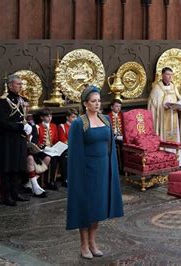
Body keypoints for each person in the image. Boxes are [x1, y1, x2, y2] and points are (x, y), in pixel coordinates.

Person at [66, 85, 124, 259]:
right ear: (85, 103)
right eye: (93, 101)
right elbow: (75, 153)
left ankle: (93, 241)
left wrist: (111, 168)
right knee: (86, 207)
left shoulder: (106, 119)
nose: (97, 104)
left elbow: (110, 146)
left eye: (99, 101)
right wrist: (77, 176)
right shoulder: (79, 123)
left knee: (99, 206)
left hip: (103, 169)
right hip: (86, 171)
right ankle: (83, 244)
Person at [0, 75, 32, 206]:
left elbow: (22, 117)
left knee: (18, 167)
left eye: (21, 84)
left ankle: (16, 192)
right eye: (18, 84)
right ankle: (7, 196)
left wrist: (27, 126)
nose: (20, 86)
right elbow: (3, 122)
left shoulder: (21, 100)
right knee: (8, 168)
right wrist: (20, 126)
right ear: (10, 85)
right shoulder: (3, 102)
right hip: (7, 139)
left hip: (19, 138)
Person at [148, 67, 181, 162]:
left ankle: (176, 159)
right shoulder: (157, 88)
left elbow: (179, 99)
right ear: (162, 75)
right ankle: (164, 159)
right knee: (164, 137)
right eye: (168, 74)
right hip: (162, 118)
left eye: (171, 75)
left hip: (174, 116)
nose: (170, 77)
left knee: (174, 136)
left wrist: (180, 106)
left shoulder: (173, 86)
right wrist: (162, 106)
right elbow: (153, 106)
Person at [36, 108, 60, 190]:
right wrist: (43, 147)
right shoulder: (38, 126)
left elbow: (56, 139)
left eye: (50, 116)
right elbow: (37, 141)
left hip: (52, 149)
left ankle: (52, 181)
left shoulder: (54, 126)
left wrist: (56, 146)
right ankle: (46, 181)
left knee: (56, 158)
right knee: (50, 158)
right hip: (42, 149)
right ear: (42, 117)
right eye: (47, 116)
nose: (49, 118)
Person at [57, 108, 78, 187]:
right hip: (66, 148)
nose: (75, 119)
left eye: (76, 117)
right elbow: (63, 140)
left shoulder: (77, 126)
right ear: (67, 117)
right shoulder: (62, 126)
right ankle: (65, 179)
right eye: (73, 117)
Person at [108, 99, 124, 172]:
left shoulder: (122, 115)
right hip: (113, 137)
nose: (118, 108)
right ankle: (120, 168)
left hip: (121, 136)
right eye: (116, 106)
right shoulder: (108, 116)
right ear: (112, 107)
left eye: (120, 106)